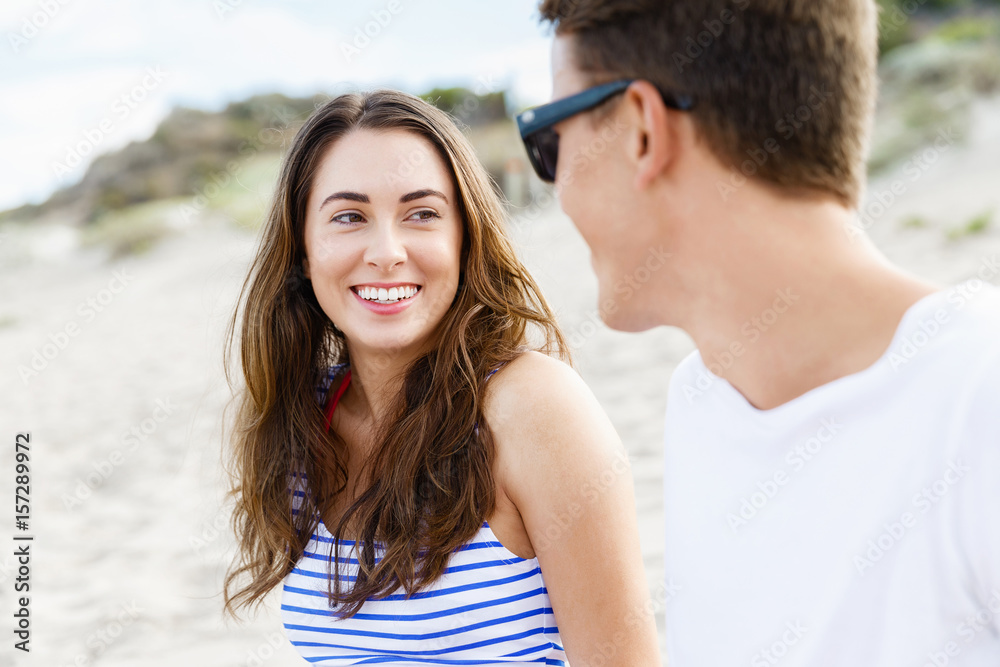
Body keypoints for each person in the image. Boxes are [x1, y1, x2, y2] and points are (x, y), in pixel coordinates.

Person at [519, 1, 1000, 665]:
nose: (558, 187)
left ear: (639, 130)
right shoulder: (704, 400)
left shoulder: (980, 396)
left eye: (548, 142)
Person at [221, 89, 662, 666]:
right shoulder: (302, 418)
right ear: (304, 249)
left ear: (464, 238)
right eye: (349, 217)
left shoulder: (531, 407)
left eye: (422, 214)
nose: (387, 252)